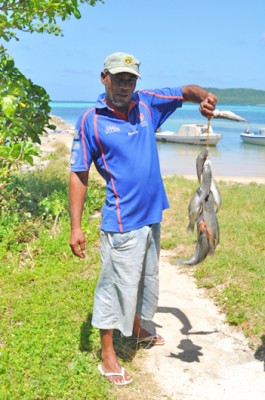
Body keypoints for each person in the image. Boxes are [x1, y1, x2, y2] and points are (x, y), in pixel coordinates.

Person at [69, 51, 217, 386]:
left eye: (131, 78)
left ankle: (135, 328)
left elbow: (186, 91)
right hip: (122, 220)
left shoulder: (147, 104)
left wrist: (205, 98)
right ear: (103, 77)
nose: (125, 85)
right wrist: (76, 227)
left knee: (145, 278)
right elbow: (78, 173)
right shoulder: (91, 119)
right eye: (118, 78)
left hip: (152, 214)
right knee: (114, 286)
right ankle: (107, 354)